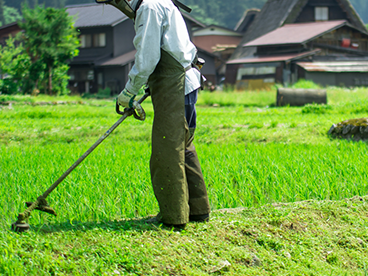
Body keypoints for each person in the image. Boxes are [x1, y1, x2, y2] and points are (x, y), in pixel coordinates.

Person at [96, 0, 211, 228]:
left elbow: (147, 57)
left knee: (168, 150)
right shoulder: (161, 2)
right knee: (183, 145)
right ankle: (198, 210)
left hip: (176, 86)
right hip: (184, 83)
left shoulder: (149, 7)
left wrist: (128, 91)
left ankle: (174, 217)